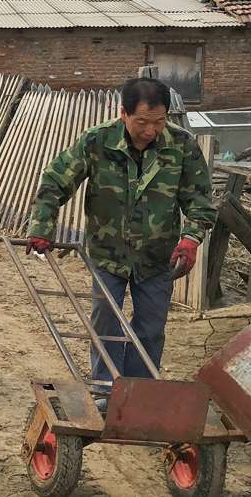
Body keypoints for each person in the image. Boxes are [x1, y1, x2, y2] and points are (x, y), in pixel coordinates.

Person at [26, 77, 216, 385]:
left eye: (158, 122)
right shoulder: (97, 141)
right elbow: (55, 181)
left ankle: (138, 394)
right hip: (108, 253)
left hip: (157, 257)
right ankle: (105, 390)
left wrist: (191, 239)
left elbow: (199, 200)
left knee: (150, 330)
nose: (150, 130)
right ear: (123, 114)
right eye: (142, 122)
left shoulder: (182, 146)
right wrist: (42, 226)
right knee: (106, 326)